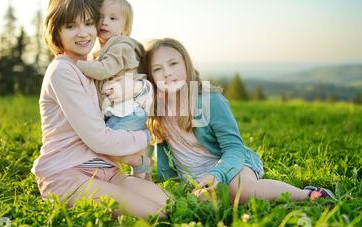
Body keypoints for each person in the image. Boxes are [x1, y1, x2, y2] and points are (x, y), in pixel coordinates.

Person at [143, 37, 336, 204]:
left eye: (173, 64)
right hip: (195, 179)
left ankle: (310, 194)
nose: (167, 72)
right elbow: (143, 145)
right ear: (150, 76)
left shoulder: (210, 101)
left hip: (233, 164)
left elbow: (234, 149)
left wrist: (218, 175)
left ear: (186, 64)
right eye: (158, 69)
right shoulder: (154, 107)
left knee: (239, 191)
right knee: (211, 201)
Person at [31, 0, 168, 218]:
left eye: (88, 23)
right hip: (66, 173)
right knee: (157, 216)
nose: (82, 33)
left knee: (169, 204)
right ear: (57, 32)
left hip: (106, 170)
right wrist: (146, 137)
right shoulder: (63, 70)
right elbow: (98, 138)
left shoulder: (94, 67)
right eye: (71, 26)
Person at [75, 0, 154, 179]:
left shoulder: (121, 47)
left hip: (129, 112)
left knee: (109, 146)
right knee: (109, 147)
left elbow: (104, 70)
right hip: (117, 111)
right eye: (100, 17)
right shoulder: (101, 50)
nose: (104, 22)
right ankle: (142, 173)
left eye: (112, 18)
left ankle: (142, 161)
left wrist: (74, 64)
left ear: (125, 29)